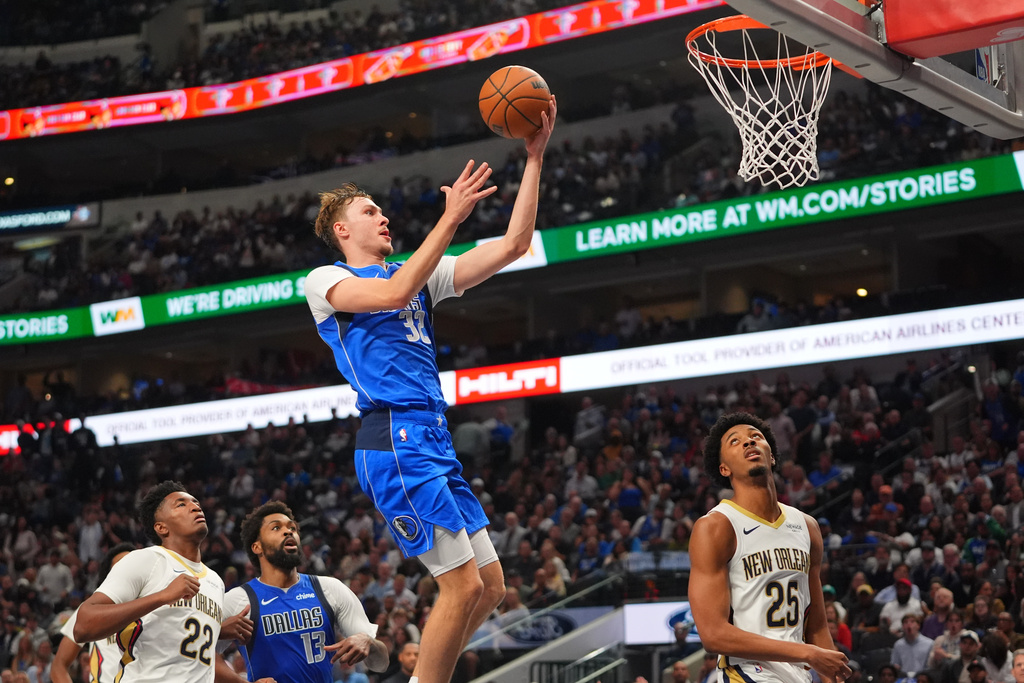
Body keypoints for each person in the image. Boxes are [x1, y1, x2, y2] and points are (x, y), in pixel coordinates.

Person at [303, 95, 556, 683]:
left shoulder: (418, 275)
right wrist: (451, 219)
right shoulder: (326, 278)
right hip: (393, 437)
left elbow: (514, 245)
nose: (383, 218)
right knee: (461, 585)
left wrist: (535, 158)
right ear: (342, 229)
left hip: (432, 435)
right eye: (370, 212)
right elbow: (391, 296)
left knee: (489, 586)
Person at [688, 412, 851, 683]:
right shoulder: (716, 527)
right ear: (724, 468)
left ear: (772, 456)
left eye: (756, 436)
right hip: (747, 673)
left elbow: (817, 627)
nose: (749, 442)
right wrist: (807, 653)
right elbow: (713, 634)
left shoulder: (807, 526)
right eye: (735, 441)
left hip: (798, 674)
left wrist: (827, 671)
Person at [72, 480, 267, 683]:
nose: (195, 507)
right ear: (161, 527)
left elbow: (196, 660)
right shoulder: (146, 559)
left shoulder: (215, 581)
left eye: (196, 502)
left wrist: (219, 632)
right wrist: (163, 596)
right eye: (181, 504)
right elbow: (83, 626)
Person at [221, 501, 389, 683]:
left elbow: (381, 664)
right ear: (257, 547)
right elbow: (202, 655)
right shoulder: (238, 600)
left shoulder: (330, 588)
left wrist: (369, 642)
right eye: (276, 528)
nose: (288, 532)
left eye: (292, 528)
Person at [52, 543, 136, 683]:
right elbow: (59, 665)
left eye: (131, 565)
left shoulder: (156, 607)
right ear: (108, 576)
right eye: (120, 567)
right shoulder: (91, 610)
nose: (126, 571)